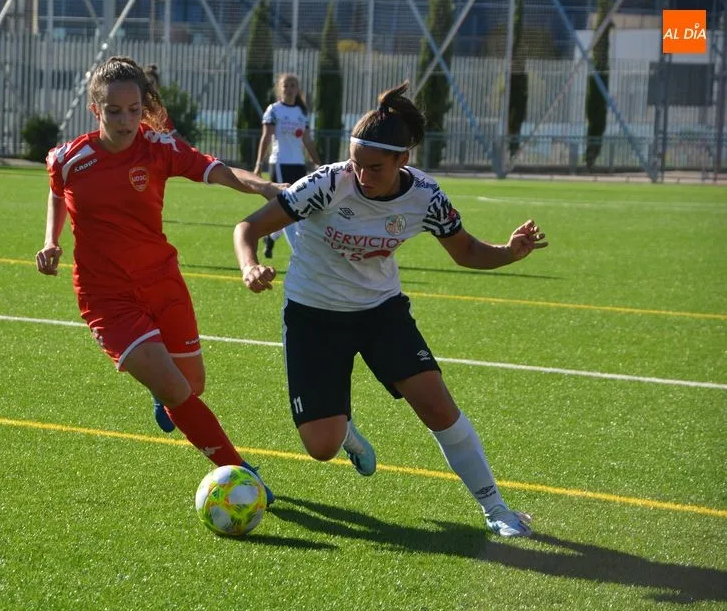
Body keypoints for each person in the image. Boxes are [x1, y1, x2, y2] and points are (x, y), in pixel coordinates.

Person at [233, 81, 548, 535]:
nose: (361, 175)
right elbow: (249, 227)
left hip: (381, 312)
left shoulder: (425, 196)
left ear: (404, 160)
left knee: (438, 407)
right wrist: (249, 266)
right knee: (321, 446)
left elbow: (465, 251)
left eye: (375, 167)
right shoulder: (327, 183)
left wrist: (509, 252)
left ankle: (497, 510)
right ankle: (346, 432)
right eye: (356, 163)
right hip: (313, 315)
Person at [37, 56, 283, 503]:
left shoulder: (159, 148)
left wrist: (265, 187)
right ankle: (241, 470)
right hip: (106, 297)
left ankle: (163, 394)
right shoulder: (70, 158)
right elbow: (57, 192)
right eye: (114, 111)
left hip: (163, 282)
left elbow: (218, 170)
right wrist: (52, 241)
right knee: (175, 388)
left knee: (191, 388)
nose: (127, 119)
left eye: (134, 109)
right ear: (96, 110)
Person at [252, 73, 321, 259]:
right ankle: (298, 254)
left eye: (293, 85)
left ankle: (271, 237)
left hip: (298, 165)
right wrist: (259, 164)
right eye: (286, 85)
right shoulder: (274, 110)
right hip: (280, 164)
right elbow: (266, 137)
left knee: (300, 208)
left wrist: (317, 162)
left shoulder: (301, 112)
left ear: (298, 89)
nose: (289, 89)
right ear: (279, 89)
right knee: (289, 209)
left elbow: (307, 139)